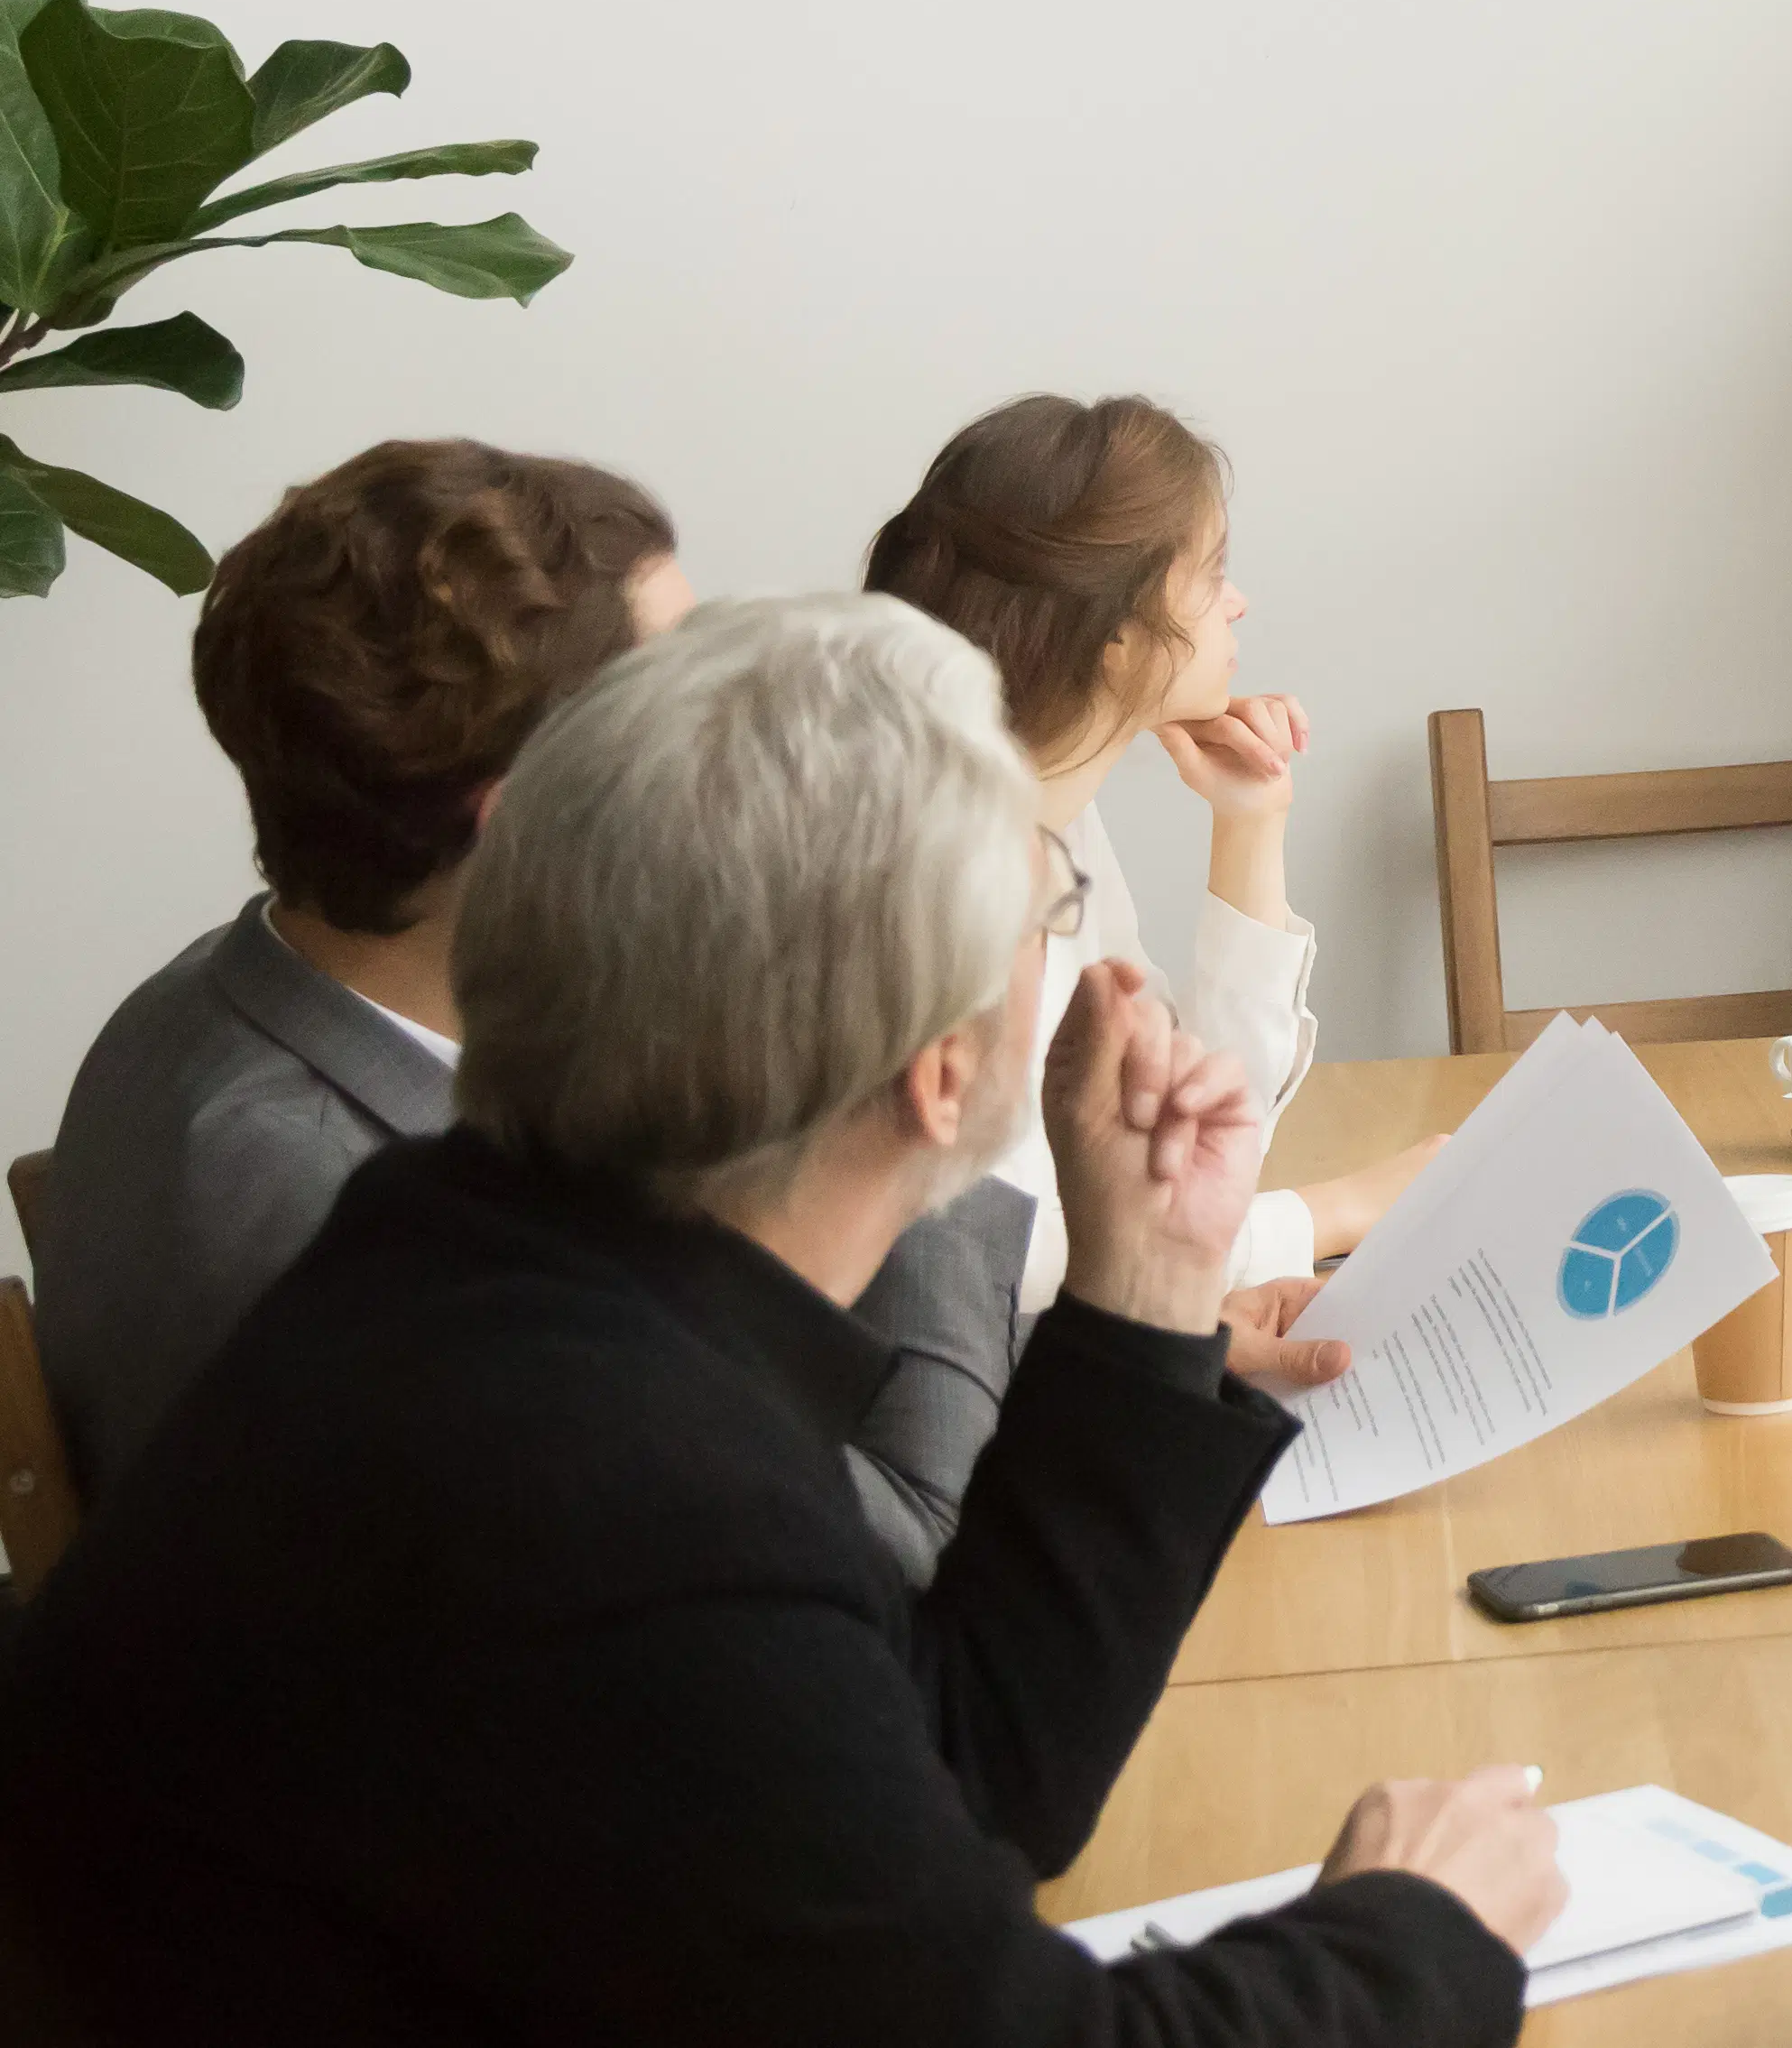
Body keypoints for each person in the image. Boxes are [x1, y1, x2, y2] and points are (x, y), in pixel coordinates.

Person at [0, 595, 1561, 2041]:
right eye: (1055, 902)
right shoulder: (607, 1482)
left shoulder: (488, 1257)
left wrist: (1145, 1284)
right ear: (942, 1071)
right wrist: (1412, 1932)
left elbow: (959, 1773)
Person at [27, 441, 1046, 1577]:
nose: (743, 740)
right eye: (685, 709)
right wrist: (925, 994)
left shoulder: (210, 1005)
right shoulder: (366, 1236)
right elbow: (905, 1552)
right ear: (531, 819)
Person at [866, 393, 1424, 1328]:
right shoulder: (931, 888)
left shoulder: (1057, 822)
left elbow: (1187, 1137)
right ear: (1115, 636)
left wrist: (1250, 825)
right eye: (1211, 573)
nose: (1237, 600)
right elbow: (1012, 1264)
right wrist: (1337, 1209)